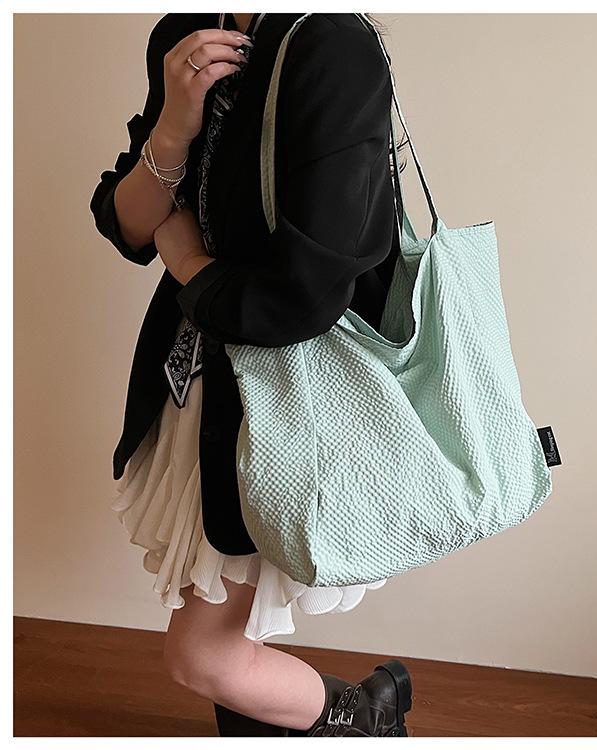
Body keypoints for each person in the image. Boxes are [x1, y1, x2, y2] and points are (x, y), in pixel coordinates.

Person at [89, 11, 413, 738]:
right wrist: (172, 128)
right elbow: (130, 223)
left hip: (286, 400)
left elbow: (304, 295)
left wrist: (185, 258)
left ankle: (369, 717)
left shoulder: (333, 46)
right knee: (221, 629)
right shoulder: (186, 34)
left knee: (201, 654)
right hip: (198, 387)